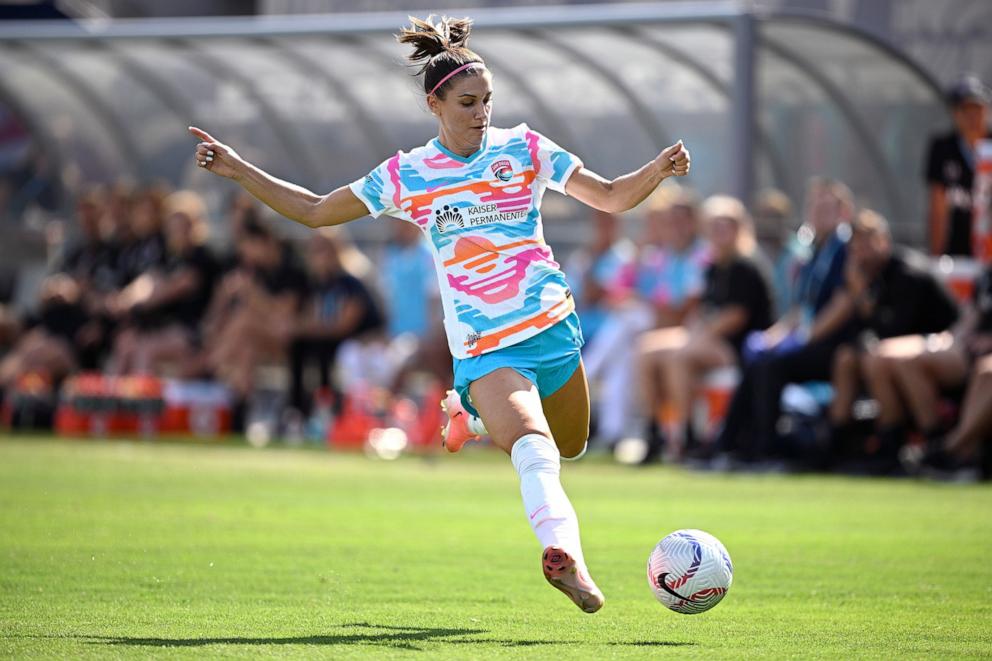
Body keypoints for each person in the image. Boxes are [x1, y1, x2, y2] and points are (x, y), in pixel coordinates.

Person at [189, 15, 690, 613]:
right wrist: (236, 168)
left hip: (554, 329)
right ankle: (566, 557)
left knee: (571, 443)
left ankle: (472, 419)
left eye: (487, 101)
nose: (481, 113)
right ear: (436, 103)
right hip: (487, 347)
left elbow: (608, 195)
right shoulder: (409, 174)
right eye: (468, 102)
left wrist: (656, 171)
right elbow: (318, 211)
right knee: (535, 446)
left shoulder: (525, 148)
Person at [713, 178, 853, 467]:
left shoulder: (843, 250)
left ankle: (766, 449)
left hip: (833, 343)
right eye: (815, 206)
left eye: (827, 206)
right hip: (808, 336)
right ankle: (732, 444)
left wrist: (806, 337)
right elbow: (800, 309)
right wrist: (773, 337)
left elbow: (843, 303)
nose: (818, 212)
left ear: (842, 212)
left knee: (771, 366)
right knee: (758, 359)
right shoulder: (813, 251)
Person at [637, 195, 772, 462]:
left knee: (680, 357)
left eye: (727, 225)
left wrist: (696, 335)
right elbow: (702, 310)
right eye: (715, 226)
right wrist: (694, 332)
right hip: (708, 340)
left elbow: (735, 317)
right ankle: (654, 432)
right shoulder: (712, 267)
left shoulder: (744, 265)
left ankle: (688, 436)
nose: (719, 232)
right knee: (646, 349)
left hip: (739, 346)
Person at [828, 210, 959, 471]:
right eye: (857, 247)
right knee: (846, 357)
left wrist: (860, 295)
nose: (861, 253)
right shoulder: (871, 275)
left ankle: (925, 443)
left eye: (868, 243)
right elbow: (865, 329)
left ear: (884, 241)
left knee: (879, 359)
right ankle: (837, 443)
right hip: (904, 345)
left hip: (944, 342)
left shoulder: (906, 272)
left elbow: (893, 328)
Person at [925, 75, 991, 257]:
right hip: (956, 255)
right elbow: (938, 207)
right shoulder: (943, 148)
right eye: (965, 109)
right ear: (954, 113)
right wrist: (937, 256)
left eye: (978, 109)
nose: (973, 117)